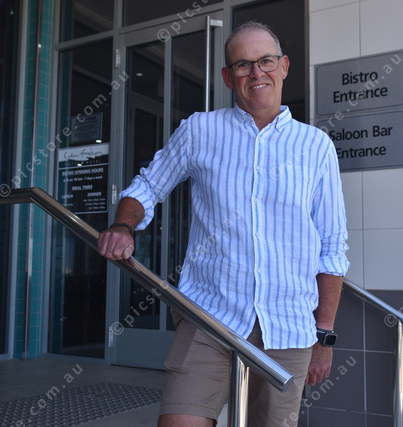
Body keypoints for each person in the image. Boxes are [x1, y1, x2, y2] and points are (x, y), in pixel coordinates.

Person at [98, 21, 349, 427]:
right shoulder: (200, 130)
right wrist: (123, 225)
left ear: (284, 66)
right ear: (228, 77)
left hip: (288, 328)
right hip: (208, 319)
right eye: (243, 64)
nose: (257, 72)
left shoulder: (316, 146)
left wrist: (324, 336)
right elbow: (147, 186)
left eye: (266, 61)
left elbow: (332, 247)